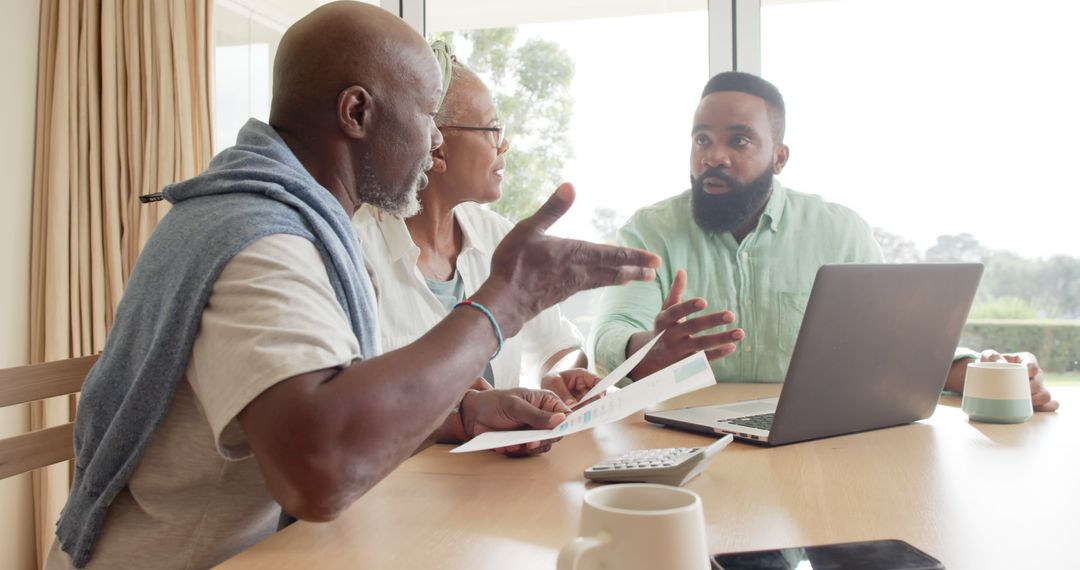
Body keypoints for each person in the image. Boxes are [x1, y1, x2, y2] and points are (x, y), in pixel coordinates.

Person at [45, 3, 659, 569]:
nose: (436, 141)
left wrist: (461, 412)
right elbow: (321, 472)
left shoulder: (274, 218)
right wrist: (503, 302)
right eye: (425, 114)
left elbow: (335, 404)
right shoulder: (262, 241)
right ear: (358, 112)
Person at [589, 71, 1057, 412]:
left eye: (740, 141)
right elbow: (608, 336)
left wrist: (985, 372)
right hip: (677, 440)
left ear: (780, 157)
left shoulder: (842, 232)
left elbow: (893, 345)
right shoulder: (648, 231)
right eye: (702, 140)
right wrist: (648, 349)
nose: (715, 157)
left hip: (808, 442)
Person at [353, 44, 599, 407]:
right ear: (435, 147)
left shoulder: (498, 236)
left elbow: (557, 343)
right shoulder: (357, 247)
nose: (505, 144)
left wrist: (560, 372)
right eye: (491, 129)